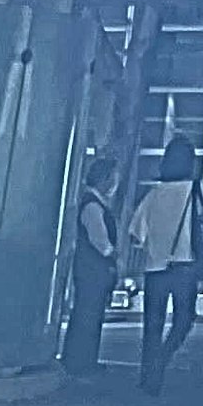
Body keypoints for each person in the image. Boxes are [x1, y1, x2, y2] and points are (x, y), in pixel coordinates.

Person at [124, 142, 203, 396]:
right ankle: (162, 360)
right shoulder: (196, 190)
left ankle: (148, 377)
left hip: (154, 269)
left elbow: (136, 233)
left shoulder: (153, 194)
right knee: (184, 319)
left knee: (152, 326)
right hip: (184, 268)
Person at [64, 156, 122, 373]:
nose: (116, 183)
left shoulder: (94, 203)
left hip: (91, 269)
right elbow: (99, 239)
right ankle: (80, 362)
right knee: (87, 314)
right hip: (92, 268)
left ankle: (82, 360)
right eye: (114, 178)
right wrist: (112, 253)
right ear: (104, 179)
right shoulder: (92, 205)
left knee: (89, 313)